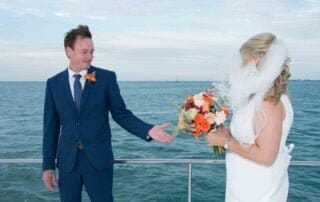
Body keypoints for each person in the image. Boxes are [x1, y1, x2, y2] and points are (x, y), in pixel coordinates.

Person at [42, 25, 174, 202]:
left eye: (92, 51)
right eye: (84, 52)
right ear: (69, 51)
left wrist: (148, 130)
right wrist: (48, 166)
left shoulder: (106, 78)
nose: (89, 57)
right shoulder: (53, 83)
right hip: (67, 163)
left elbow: (121, 114)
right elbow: (50, 128)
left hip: (98, 161)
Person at [205, 33, 294, 201]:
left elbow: (266, 156)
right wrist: (227, 135)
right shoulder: (257, 97)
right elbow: (252, 139)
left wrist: (224, 142)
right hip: (243, 185)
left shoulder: (269, 103)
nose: (240, 66)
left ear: (256, 62)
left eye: (244, 60)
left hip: (259, 190)